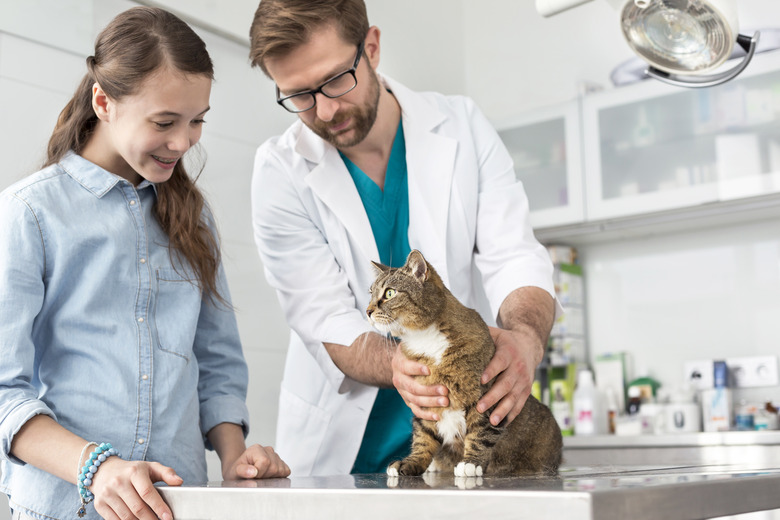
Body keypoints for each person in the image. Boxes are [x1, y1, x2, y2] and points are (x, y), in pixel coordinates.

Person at [249, 0, 561, 476]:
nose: (327, 110)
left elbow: (513, 255)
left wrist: (524, 340)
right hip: (341, 454)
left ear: (371, 47)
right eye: (299, 95)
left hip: (464, 450)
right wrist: (399, 363)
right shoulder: (279, 171)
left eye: (336, 80)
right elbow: (324, 315)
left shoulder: (462, 126)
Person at [0, 6, 289, 520]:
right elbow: (4, 392)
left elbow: (217, 365)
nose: (184, 142)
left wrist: (234, 457)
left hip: (178, 506)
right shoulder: (30, 213)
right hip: (65, 509)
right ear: (104, 101)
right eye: (164, 122)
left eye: (197, 120)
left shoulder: (193, 220)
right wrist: (97, 467)